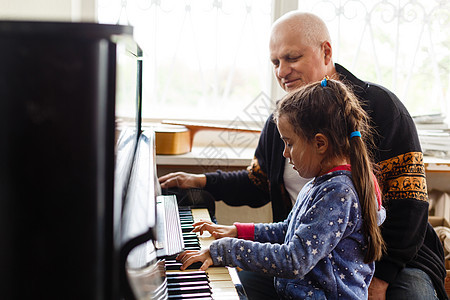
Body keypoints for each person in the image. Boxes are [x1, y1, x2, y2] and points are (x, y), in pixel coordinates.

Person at [159, 11, 447, 300]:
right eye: (275, 62)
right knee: (232, 286)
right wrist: (201, 182)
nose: (282, 71)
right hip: (309, 257)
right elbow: (258, 183)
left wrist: (379, 281)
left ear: (326, 52)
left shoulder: (381, 108)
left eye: (292, 58)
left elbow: (411, 208)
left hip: (395, 259)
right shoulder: (283, 119)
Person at [176, 78, 385, 299]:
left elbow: (294, 260)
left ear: (320, 144)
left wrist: (228, 250)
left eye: (290, 143)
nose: (285, 153)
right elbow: (289, 231)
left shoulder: (338, 193)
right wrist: (238, 231)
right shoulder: (322, 182)